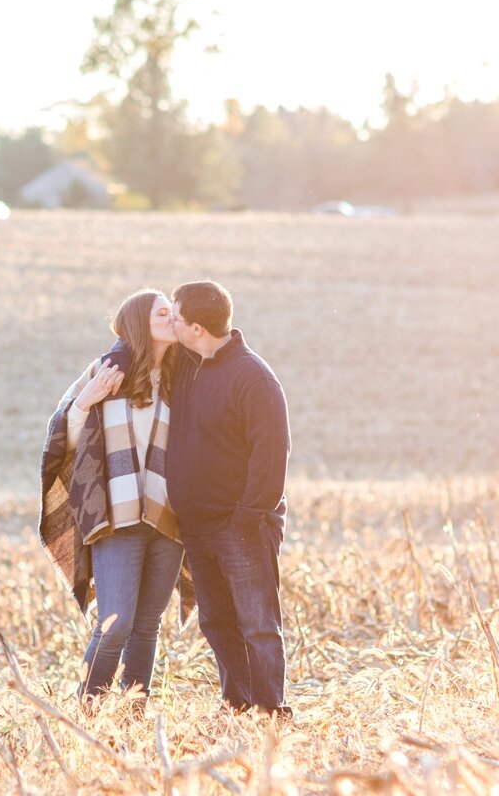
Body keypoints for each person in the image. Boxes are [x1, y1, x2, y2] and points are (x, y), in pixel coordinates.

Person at [38, 289, 187, 703]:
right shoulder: (106, 371)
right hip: (116, 516)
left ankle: (133, 713)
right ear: (140, 320)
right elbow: (62, 441)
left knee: (147, 625)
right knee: (115, 622)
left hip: (168, 515)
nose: (171, 317)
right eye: (162, 312)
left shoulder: (184, 377)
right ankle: (88, 709)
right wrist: (87, 400)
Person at [165, 280, 292, 716]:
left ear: (197, 328)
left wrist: (247, 518)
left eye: (177, 318)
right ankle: (237, 705)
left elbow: (272, 453)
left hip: (241, 527)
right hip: (196, 527)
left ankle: (270, 711)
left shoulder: (253, 378)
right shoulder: (185, 364)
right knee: (216, 622)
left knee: (257, 624)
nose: (172, 324)